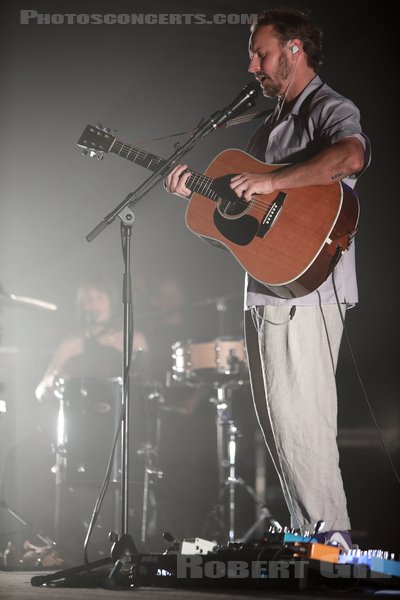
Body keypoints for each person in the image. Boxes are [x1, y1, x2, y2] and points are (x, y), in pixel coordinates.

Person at [164, 8, 370, 551]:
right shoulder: (265, 129)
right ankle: (314, 537)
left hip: (310, 282)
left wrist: (272, 178)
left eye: (262, 52)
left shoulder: (328, 106)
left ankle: (336, 540)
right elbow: (244, 220)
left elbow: (351, 156)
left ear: (294, 50)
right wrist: (199, 197)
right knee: (279, 418)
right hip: (267, 285)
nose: (253, 64)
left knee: (303, 414)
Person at [35, 276, 149, 402]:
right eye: (88, 300)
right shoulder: (72, 342)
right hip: (81, 413)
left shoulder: (133, 339)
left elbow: (149, 385)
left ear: (111, 301)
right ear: (82, 306)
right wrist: (51, 386)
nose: (94, 304)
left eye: (99, 298)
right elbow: (41, 389)